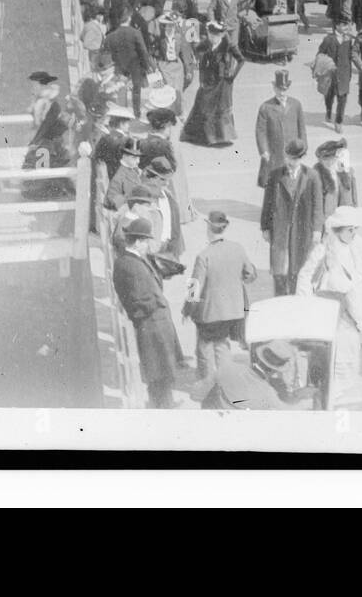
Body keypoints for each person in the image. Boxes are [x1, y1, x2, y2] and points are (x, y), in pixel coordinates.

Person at [297, 205, 362, 383]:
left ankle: (333, 390)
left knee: (343, 357)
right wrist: (305, 304)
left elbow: (358, 284)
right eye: (349, 230)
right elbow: (305, 276)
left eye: (355, 230)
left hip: (349, 311)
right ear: (338, 231)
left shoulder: (357, 248)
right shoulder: (324, 250)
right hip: (326, 307)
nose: (353, 234)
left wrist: (360, 317)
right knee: (321, 353)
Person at [111, 217, 180, 409]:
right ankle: (164, 407)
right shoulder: (129, 263)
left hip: (155, 323)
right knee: (159, 371)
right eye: (146, 241)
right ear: (139, 241)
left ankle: (164, 404)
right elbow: (138, 297)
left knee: (160, 370)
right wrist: (155, 304)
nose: (148, 245)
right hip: (152, 324)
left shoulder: (132, 260)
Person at [185, 211, 256, 390]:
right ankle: (225, 384)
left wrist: (187, 310)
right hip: (234, 312)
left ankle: (207, 384)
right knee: (222, 346)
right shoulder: (238, 248)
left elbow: (194, 286)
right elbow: (250, 274)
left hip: (210, 313)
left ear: (209, 228)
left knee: (204, 349)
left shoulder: (204, 256)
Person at [261, 138, 324, 295]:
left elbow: (318, 206)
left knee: (297, 265)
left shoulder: (312, 176)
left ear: (302, 158)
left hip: (301, 228)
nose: (290, 161)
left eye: (295, 159)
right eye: (288, 157)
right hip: (280, 228)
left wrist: (317, 229)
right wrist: (265, 227)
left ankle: (296, 299)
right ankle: (280, 299)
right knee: (279, 268)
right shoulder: (275, 175)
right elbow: (267, 203)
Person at [181, 21, 243, 146]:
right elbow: (195, 51)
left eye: (215, 35)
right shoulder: (205, 44)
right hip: (208, 81)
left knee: (220, 108)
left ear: (221, 35)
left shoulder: (229, 45)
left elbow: (241, 60)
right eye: (210, 35)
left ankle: (219, 137)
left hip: (223, 83)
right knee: (202, 105)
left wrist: (233, 75)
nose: (213, 38)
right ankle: (198, 135)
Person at [254, 69, 306, 189]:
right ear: (274, 88)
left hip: (292, 152)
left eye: (284, 89)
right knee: (275, 183)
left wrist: (303, 147)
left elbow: (301, 128)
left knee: (292, 181)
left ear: (288, 89)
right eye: (279, 89)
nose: (282, 93)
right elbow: (260, 131)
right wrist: (264, 150)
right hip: (274, 152)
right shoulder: (265, 107)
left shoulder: (296, 105)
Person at [316, 19, 356, 133]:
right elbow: (320, 54)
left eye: (347, 25)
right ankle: (328, 111)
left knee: (342, 98)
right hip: (330, 75)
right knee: (329, 96)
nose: (346, 28)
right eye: (344, 25)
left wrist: (349, 74)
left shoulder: (349, 40)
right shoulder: (328, 39)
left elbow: (350, 56)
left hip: (344, 74)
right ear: (337, 26)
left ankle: (338, 122)